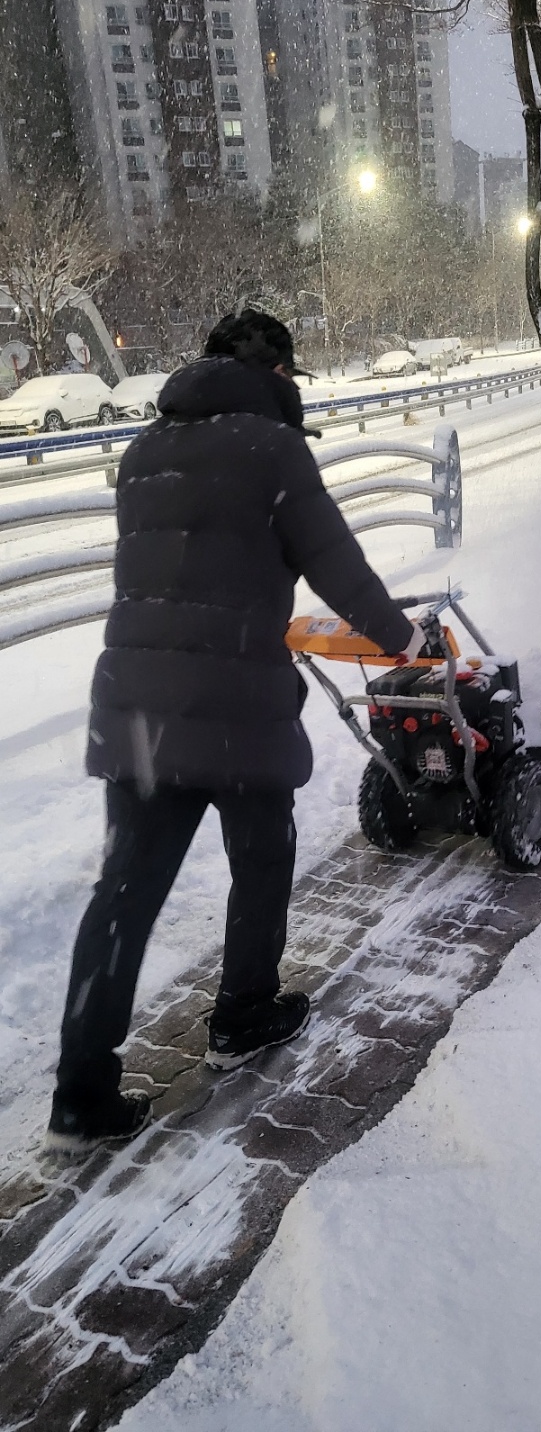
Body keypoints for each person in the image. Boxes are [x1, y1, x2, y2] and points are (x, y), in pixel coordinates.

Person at [45, 309, 426, 1157]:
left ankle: (80, 1092)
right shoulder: (271, 450)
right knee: (261, 860)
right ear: (277, 372)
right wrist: (403, 640)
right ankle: (243, 1013)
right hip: (236, 706)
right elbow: (336, 563)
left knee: (124, 895)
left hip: (138, 705)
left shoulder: (143, 454)